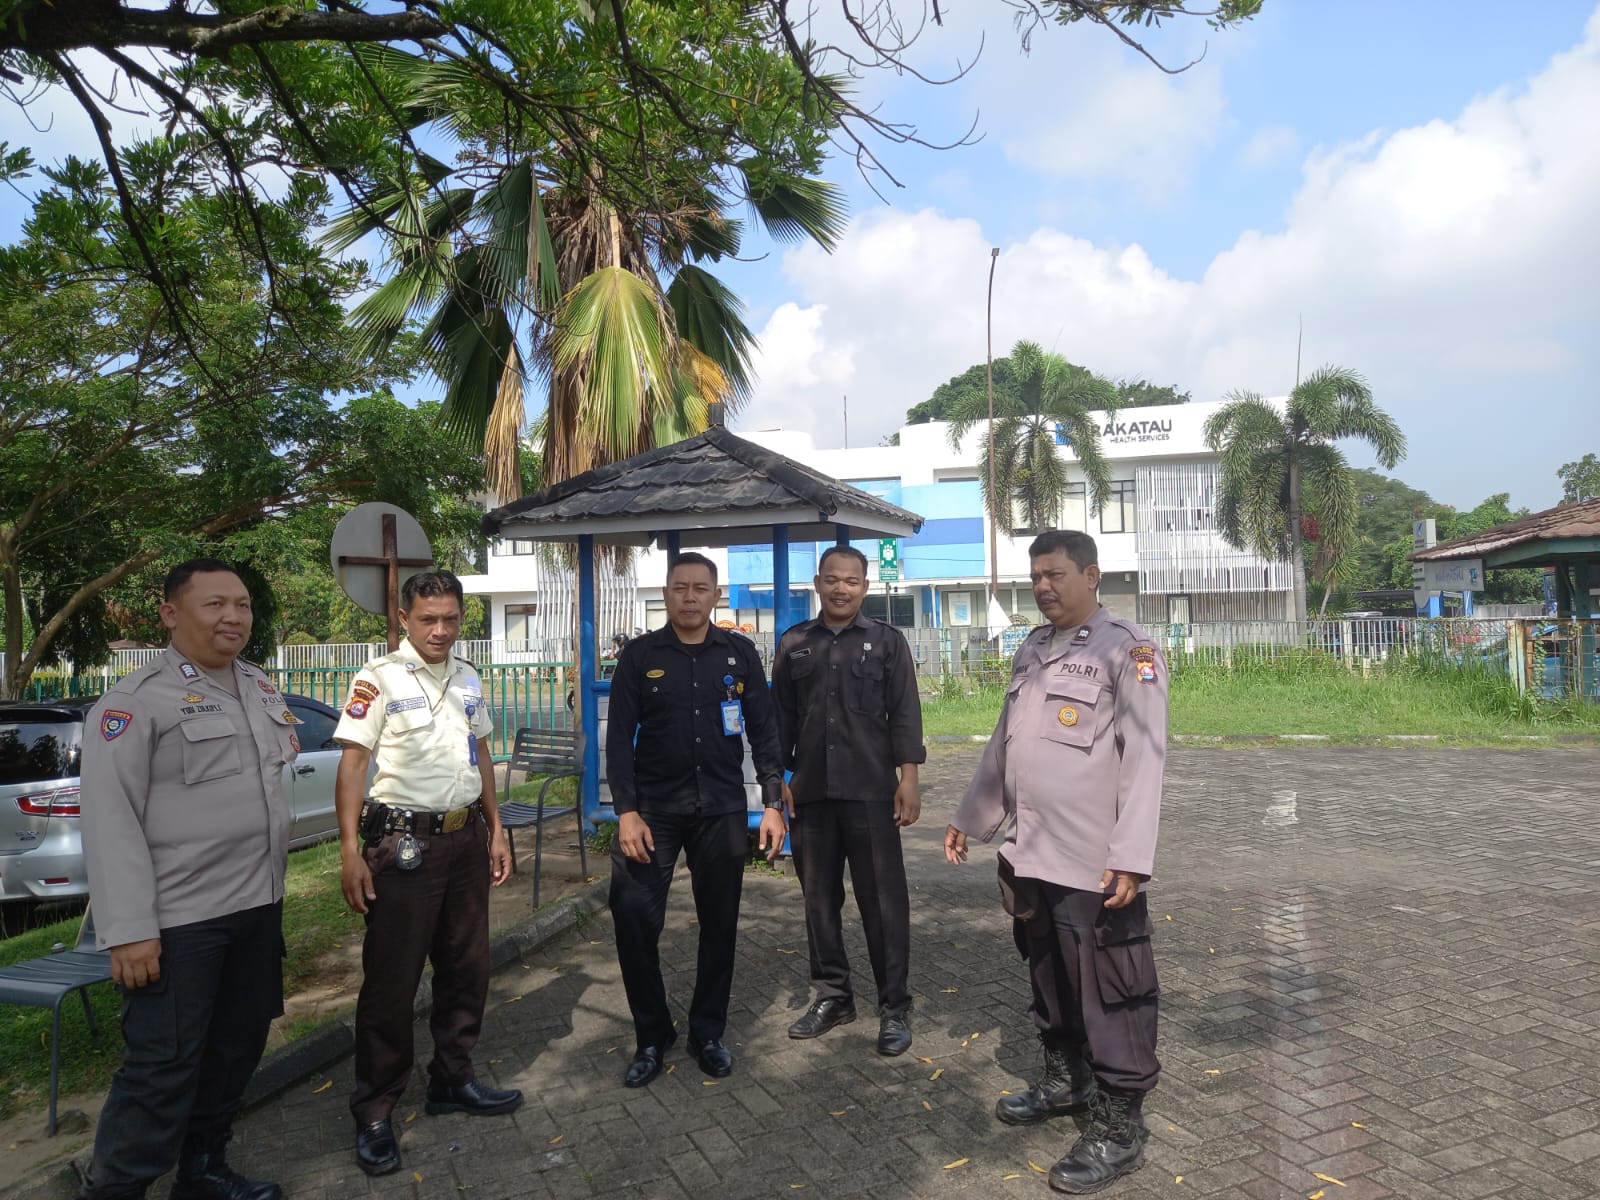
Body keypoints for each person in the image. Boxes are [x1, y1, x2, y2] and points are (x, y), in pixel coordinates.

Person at [945, 530, 1168, 1196]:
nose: (1043, 586)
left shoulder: (1128, 650)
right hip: (1033, 853)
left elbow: (1146, 759)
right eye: (1036, 575)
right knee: (1048, 974)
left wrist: (1131, 857)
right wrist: (971, 816)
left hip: (1093, 862)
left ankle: (1120, 1127)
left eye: (1056, 574)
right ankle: (1067, 1080)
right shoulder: (1032, 649)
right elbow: (1006, 743)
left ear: (1091, 576)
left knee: (1112, 988)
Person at [78, 558, 299, 1200]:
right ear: (171, 614)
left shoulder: (257, 685)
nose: (233, 616)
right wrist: (129, 930)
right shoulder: (134, 702)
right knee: (162, 1068)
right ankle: (115, 1190)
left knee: (236, 1049)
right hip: (179, 922)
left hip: (257, 906)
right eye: (215, 604)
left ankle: (203, 1171)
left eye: (242, 604)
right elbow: (110, 819)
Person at [333, 570, 520, 1177]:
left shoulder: (468, 676)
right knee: (392, 982)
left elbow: (481, 753)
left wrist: (496, 828)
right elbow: (353, 765)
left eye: (450, 619)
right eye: (428, 619)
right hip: (403, 845)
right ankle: (375, 1110)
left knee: (467, 968)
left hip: (465, 840)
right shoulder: (378, 678)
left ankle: (452, 1079)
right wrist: (348, 850)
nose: (441, 630)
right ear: (404, 618)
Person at [605, 552, 787, 1086]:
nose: (690, 597)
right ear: (666, 593)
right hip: (652, 813)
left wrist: (772, 802)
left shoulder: (739, 653)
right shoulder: (640, 656)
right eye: (680, 587)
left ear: (715, 595)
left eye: (700, 588)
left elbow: (765, 730)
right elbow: (618, 739)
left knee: (720, 924)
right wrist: (626, 812)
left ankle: (707, 1032)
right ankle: (651, 1034)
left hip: (721, 810)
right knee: (633, 919)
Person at [771, 544, 926, 1056]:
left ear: (865, 586)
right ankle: (833, 997)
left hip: (871, 792)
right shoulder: (794, 643)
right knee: (818, 900)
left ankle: (894, 1005)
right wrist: (778, 781)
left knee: (883, 902)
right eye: (832, 579)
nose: (841, 588)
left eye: (852, 580)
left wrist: (909, 778)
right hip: (811, 794)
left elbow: (905, 713)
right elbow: (779, 720)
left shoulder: (886, 642)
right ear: (818, 583)